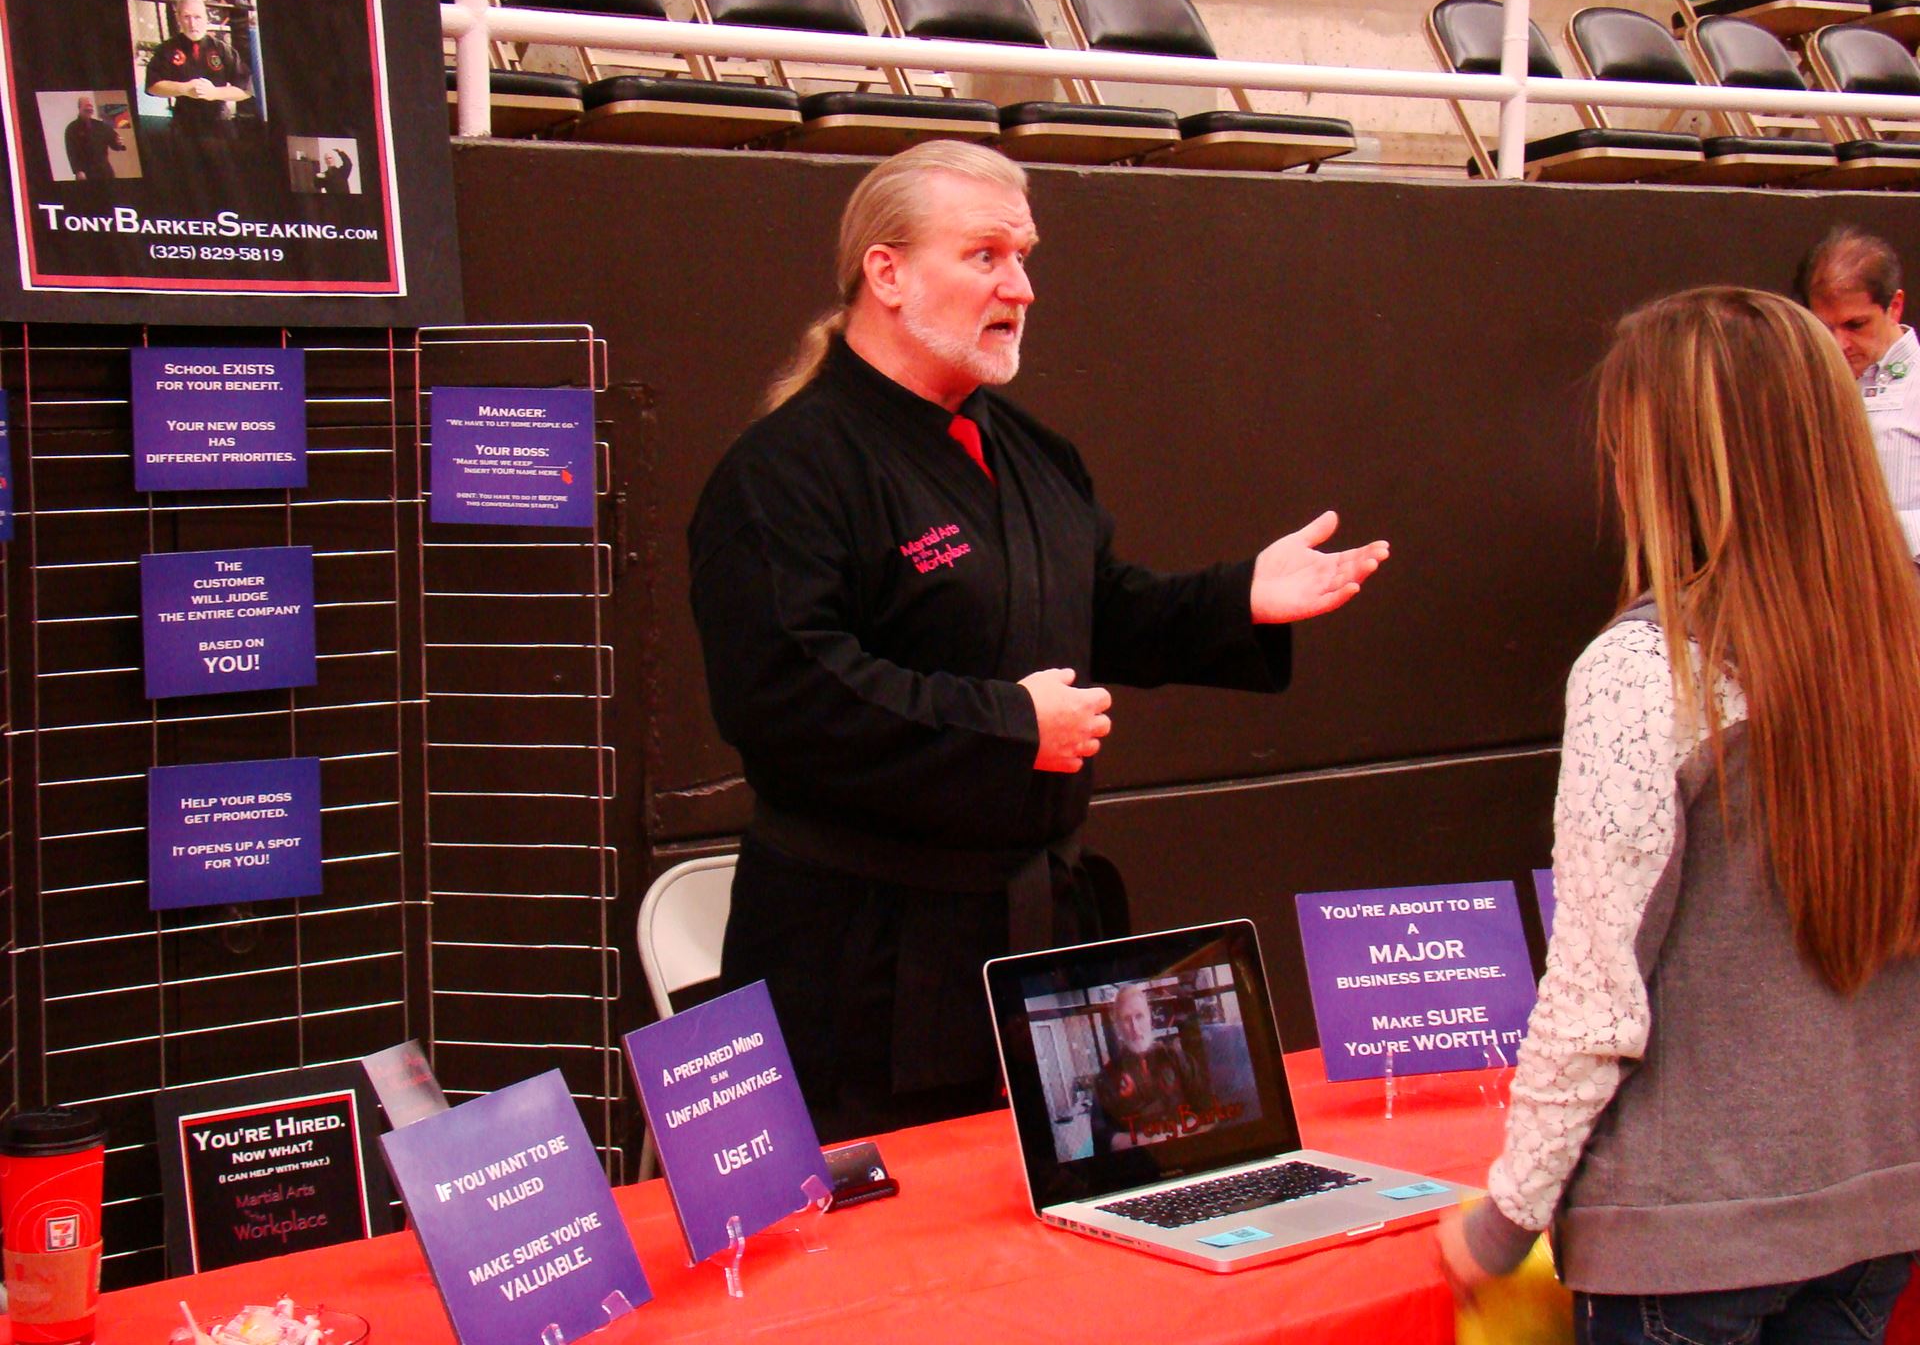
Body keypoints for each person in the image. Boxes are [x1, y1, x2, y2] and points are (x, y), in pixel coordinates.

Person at [687, 141, 1389, 1142]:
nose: (1020, 285)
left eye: (1024, 255)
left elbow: (1099, 609)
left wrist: (1240, 601)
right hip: (860, 966)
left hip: (1030, 942)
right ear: (885, 274)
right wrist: (1011, 725)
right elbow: (788, 691)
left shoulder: (1026, 449)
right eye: (984, 255)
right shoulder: (786, 473)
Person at [1438, 287, 1920, 1344]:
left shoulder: (1646, 670)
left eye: (1625, 444)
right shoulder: (1898, 647)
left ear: (1676, 463)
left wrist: (1506, 1219)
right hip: (1877, 1212)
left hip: (1687, 1242)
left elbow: (1596, 996)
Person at [1795, 226, 1920, 557]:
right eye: (1824, 327)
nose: (1839, 344)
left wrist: (1866, 531)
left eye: (1855, 325)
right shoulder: (1803, 383)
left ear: (1895, 306)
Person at [1090, 984, 1213, 1151]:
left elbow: (1211, 1112)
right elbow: (1102, 1136)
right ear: (1118, 1025)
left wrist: (1174, 1135)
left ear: (1150, 1017)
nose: (1135, 1028)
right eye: (1126, 1019)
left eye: (1139, 1016)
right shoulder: (1106, 1078)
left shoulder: (1179, 1059)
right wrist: (1145, 1142)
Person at [143, 0, 251, 138]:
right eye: (186, 17)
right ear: (178, 18)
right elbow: (152, 86)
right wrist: (184, 88)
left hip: (219, 122)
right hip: (184, 123)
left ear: (206, 18)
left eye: (197, 17)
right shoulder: (167, 49)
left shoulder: (222, 49)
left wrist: (214, 93)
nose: (192, 24)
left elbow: (245, 90)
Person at [63, 96, 124, 183]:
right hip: (86, 172)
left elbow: (114, 143)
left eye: (91, 106)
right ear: (79, 108)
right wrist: (78, 171)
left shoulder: (100, 125)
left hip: (105, 171)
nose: (89, 108)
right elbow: (71, 152)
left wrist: (118, 143)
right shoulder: (72, 128)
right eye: (87, 105)